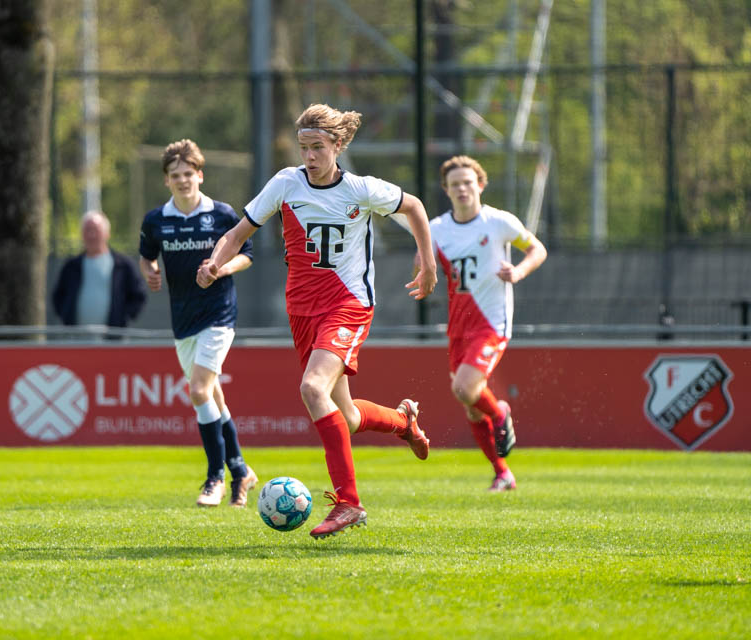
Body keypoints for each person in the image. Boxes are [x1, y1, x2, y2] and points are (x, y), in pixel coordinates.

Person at [197, 104, 437, 539]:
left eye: (318, 147)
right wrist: (214, 263)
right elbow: (237, 234)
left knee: (311, 388)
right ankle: (404, 422)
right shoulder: (286, 184)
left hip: (348, 305)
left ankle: (349, 503)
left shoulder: (360, 188)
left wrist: (428, 263)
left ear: (338, 145)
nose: (309, 155)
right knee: (344, 415)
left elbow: (415, 207)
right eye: (303, 147)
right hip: (302, 310)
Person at [139, 139, 259, 508]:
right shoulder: (157, 220)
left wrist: (221, 267)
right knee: (211, 395)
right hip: (184, 320)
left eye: (188, 174)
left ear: (200, 175)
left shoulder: (221, 214)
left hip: (219, 314)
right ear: (166, 181)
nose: (183, 180)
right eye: (175, 175)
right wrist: (151, 272)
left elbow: (248, 255)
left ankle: (215, 478)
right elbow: (146, 257)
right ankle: (241, 470)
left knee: (197, 390)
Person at [429, 155, 547, 492]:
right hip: (458, 327)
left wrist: (519, 271)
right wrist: (423, 271)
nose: (462, 189)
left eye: (468, 182)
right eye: (455, 185)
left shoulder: (498, 222)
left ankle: (500, 413)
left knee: (465, 389)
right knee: (471, 406)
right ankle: (502, 472)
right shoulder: (438, 229)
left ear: (480, 185)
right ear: (446, 191)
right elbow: (425, 265)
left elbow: (537, 249)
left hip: (491, 323)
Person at [52, 210, 147, 331]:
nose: (91, 235)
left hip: (112, 341)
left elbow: (139, 296)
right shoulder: (71, 266)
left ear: (107, 234)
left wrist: (122, 318)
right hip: (76, 341)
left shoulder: (123, 266)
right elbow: (58, 297)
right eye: (87, 230)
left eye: (96, 230)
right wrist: (67, 316)